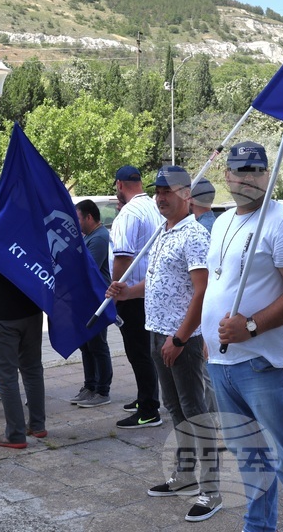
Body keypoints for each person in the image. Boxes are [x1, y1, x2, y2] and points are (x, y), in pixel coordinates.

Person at [201, 141, 283, 532]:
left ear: (268, 174)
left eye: (255, 171)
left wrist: (251, 326)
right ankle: (258, 528)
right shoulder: (220, 221)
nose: (247, 178)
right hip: (222, 363)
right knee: (250, 458)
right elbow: (218, 282)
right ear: (227, 176)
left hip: (265, 364)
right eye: (239, 171)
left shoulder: (282, 221)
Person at [109, 165, 222, 522]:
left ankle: (212, 490)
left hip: (181, 339)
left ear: (186, 195)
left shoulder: (194, 235)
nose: (160, 197)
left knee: (196, 411)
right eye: (157, 190)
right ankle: (185, 476)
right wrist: (128, 291)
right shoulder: (163, 231)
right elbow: (159, 283)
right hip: (158, 332)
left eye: (168, 191)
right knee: (175, 408)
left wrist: (180, 338)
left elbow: (201, 292)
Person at [0, 178, 47, 449]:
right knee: (32, 369)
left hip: (2, 316)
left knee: (6, 376)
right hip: (31, 310)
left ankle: (14, 434)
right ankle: (37, 425)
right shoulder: (26, 225)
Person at [110, 164, 163, 428]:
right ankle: (147, 398)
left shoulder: (129, 213)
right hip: (148, 289)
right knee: (145, 350)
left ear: (120, 185)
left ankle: (149, 410)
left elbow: (122, 255)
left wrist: (115, 289)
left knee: (138, 351)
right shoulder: (153, 207)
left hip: (132, 294)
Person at [70, 198, 113, 408]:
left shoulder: (99, 238)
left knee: (97, 346)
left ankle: (102, 391)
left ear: (88, 217)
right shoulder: (89, 237)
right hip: (84, 302)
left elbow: (87, 269)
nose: (76, 224)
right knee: (86, 345)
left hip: (96, 302)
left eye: (78, 219)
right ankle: (90, 386)